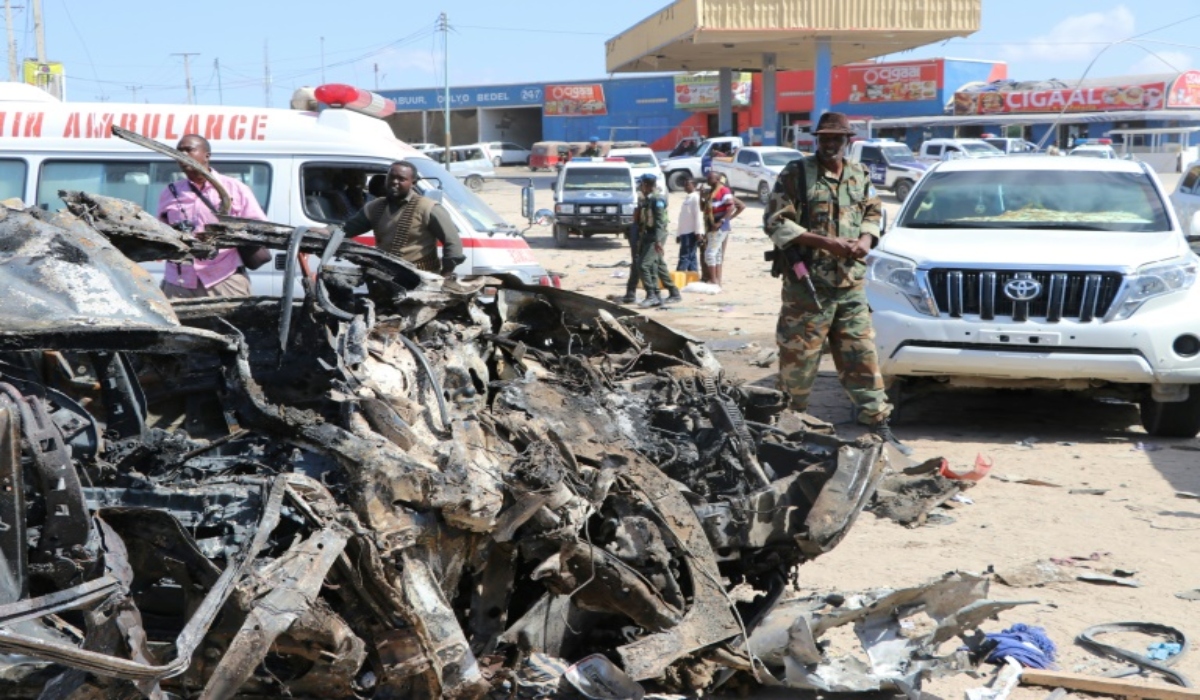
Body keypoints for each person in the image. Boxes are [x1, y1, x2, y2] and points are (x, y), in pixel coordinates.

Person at [763, 111, 910, 455]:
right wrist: (825, 243)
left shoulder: (859, 174)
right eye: (824, 138)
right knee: (799, 360)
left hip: (851, 285)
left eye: (836, 138)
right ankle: (788, 429)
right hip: (808, 287)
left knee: (862, 355)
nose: (829, 144)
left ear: (848, 141)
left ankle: (877, 424)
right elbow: (774, 221)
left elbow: (874, 212)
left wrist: (865, 240)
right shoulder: (797, 173)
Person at [157, 133, 268, 299]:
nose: (183, 155)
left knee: (232, 324)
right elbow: (160, 230)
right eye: (179, 151)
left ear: (206, 156)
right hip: (179, 281)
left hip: (223, 278)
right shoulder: (171, 191)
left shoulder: (234, 188)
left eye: (189, 150)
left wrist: (222, 234)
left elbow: (259, 228)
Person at [342, 160, 465, 275]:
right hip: (385, 276)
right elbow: (346, 229)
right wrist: (328, 232)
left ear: (413, 183)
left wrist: (445, 274)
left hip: (419, 277)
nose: (395, 182)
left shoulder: (428, 208)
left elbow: (453, 244)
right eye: (391, 177)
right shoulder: (375, 206)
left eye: (401, 179)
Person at [633, 173, 681, 308]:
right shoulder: (647, 199)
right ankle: (671, 292)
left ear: (647, 185)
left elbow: (660, 222)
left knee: (643, 265)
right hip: (647, 235)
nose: (639, 187)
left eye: (641, 184)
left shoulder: (657, 200)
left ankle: (652, 295)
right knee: (657, 265)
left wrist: (659, 241)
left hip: (655, 237)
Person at [700, 169, 745, 287]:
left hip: (718, 227)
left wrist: (722, 221)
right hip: (712, 226)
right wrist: (702, 197)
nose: (707, 180)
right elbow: (703, 208)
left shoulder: (724, 190)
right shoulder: (712, 192)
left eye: (710, 178)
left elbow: (731, 207)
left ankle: (713, 280)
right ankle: (717, 281)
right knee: (717, 254)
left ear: (717, 179)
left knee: (709, 254)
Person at [675, 177, 703, 273]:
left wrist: (698, 232)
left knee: (685, 256)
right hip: (684, 232)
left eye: (688, 185)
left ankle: (679, 275)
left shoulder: (695, 198)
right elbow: (682, 218)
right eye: (684, 185)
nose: (685, 187)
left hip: (691, 232)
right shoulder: (687, 198)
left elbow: (698, 216)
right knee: (691, 256)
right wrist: (678, 234)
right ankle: (693, 277)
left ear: (694, 186)